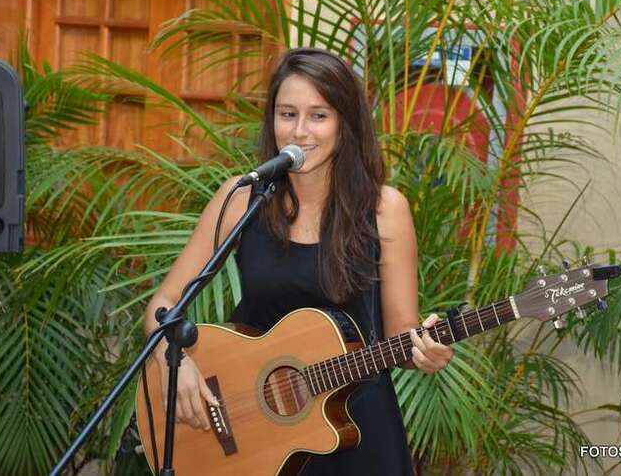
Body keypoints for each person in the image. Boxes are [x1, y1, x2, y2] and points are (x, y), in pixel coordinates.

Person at [143, 47, 454, 475]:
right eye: (287, 114)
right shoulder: (242, 199)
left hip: (356, 432)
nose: (300, 131)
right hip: (253, 437)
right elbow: (165, 300)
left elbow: (402, 333)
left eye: (319, 115)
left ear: (346, 123)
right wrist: (171, 362)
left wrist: (424, 351)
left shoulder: (385, 209)